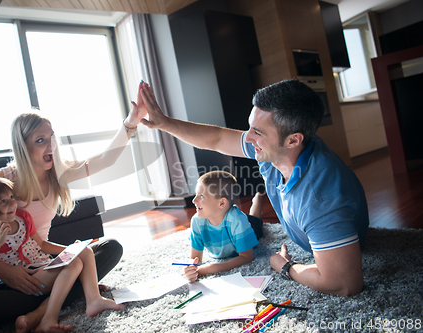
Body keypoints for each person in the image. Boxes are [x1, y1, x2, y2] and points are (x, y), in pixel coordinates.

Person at [139, 79, 369, 296]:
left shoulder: (321, 199)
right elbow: (217, 139)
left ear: (293, 140)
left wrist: (286, 266)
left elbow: (344, 284)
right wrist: (165, 123)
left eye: (257, 133)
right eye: (250, 128)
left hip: (333, 236)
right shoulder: (277, 149)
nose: (247, 138)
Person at [0, 89, 147, 331]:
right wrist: (5, 271)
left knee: (108, 248)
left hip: (40, 265)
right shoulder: (0, 181)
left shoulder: (59, 172)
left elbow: (106, 159)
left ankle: (37, 312)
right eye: (39, 140)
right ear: (23, 146)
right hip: (6, 277)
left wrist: (130, 123)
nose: (50, 145)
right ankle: (69, 292)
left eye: (51, 137)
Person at [0, 175, 125, 332]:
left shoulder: (22, 217)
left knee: (85, 251)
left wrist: (69, 249)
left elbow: (41, 244)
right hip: (22, 281)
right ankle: (49, 318)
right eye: (3, 201)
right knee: (75, 263)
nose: (12, 203)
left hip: (42, 267)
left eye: (11, 197)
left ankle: (94, 300)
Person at [184, 171, 260, 283]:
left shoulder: (238, 220)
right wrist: (191, 269)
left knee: (255, 219)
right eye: (196, 195)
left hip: (248, 226)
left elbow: (246, 257)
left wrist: (212, 268)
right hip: (229, 217)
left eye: (201, 196)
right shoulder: (196, 221)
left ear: (222, 203)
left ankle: (257, 199)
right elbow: (195, 258)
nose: (194, 200)